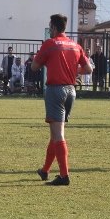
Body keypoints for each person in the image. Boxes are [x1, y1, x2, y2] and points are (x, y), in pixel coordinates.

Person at [29, 13, 93, 187]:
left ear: (54, 27)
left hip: (55, 90)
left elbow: (34, 66)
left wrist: (47, 62)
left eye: (50, 26)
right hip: (71, 91)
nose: (50, 29)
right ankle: (45, 170)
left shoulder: (50, 44)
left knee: (58, 135)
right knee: (55, 133)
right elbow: (88, 69)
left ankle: (64, 176)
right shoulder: (75, 45)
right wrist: (72, 71)